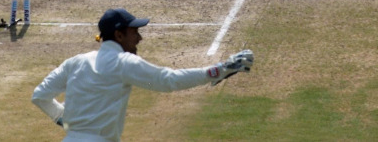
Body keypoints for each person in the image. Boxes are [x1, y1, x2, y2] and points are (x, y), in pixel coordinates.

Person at [32, 8, 253, 141]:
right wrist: (218, 70)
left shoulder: (75, 62)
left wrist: (64, 120)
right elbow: (168, 81)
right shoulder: (123, 63)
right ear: (119, 35)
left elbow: (39, 96)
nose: (139, 38)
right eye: (134, 32)